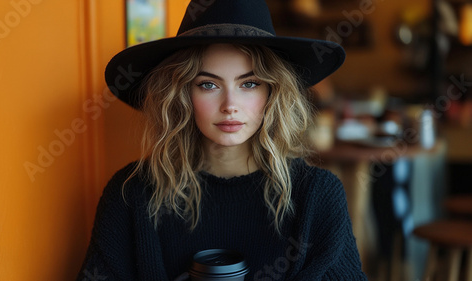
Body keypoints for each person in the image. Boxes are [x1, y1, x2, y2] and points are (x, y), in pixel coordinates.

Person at [77, 0, 368, 280]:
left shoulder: (316, 196)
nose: (230, 104)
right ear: (182, 95)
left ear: (272, 93)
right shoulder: (131, 195)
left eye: (249, 83)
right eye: (208, 84)